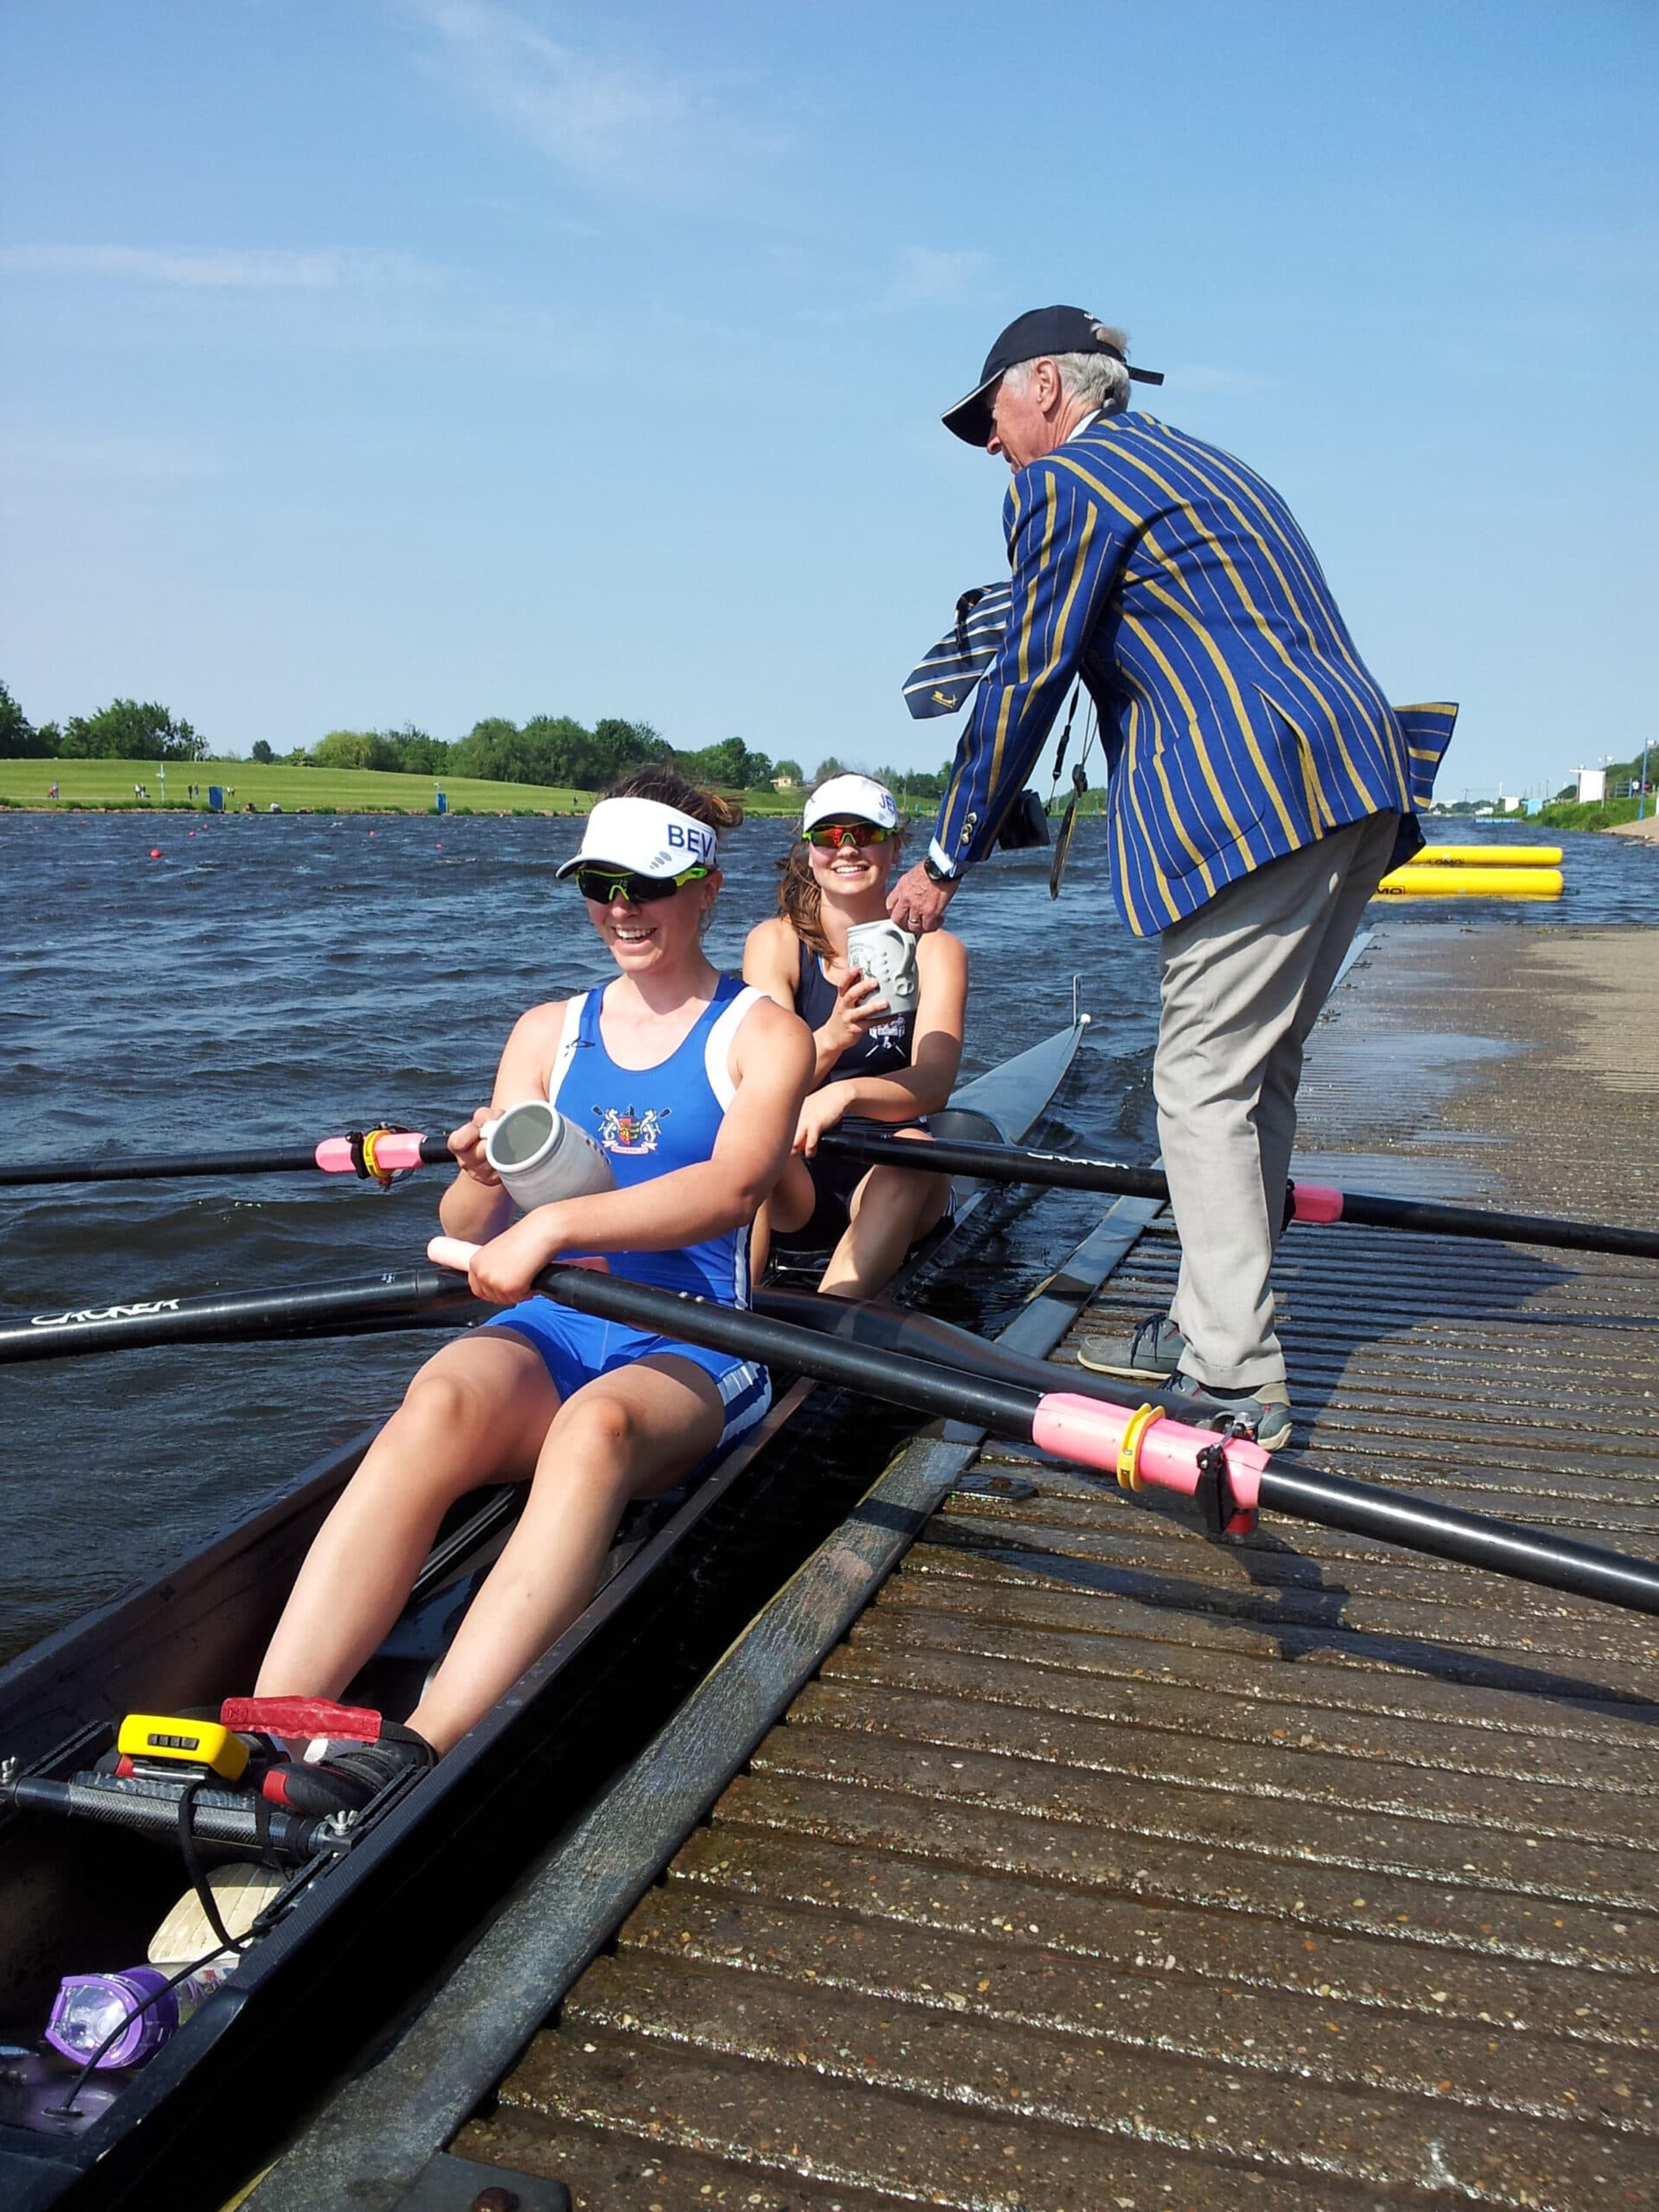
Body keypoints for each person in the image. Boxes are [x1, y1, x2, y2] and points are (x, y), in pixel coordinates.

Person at [887, 306, 1456, 1450]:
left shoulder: (1063, 484)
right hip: (1357, 781)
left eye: (989, 417)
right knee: (1258, 1074)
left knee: (1198, 1082)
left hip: (1248, 796)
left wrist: (946, 853)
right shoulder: (1207, 462)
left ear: (1044, 386)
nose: (990, 445)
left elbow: (1029, 674)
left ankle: (1234, 1379)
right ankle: (1208, 1322)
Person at [248, 768, 813, 1807]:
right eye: (598, 885)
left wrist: (552, 1219)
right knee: (439, 1398)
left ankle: (421, 1745)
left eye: (644, 885)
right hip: (561, 1319)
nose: (620, 909)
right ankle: (274, 1725)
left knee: (593, 1430)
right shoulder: (546, 1032)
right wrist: (480, 1179)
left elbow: (734, 1190)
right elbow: (467, 1232)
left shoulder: (764, 1034)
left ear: (706, 892)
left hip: (696, 1339)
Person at [743, 772, 966, 1298]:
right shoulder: (774, 944)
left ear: (895, 848)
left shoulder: (937, 951)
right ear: (811, 849)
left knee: (911, 1148)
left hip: (894, 1172)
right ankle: (728, 1324)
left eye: (865, 833)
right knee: (746, 1140)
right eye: (829, 836)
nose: (847, 849)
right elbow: (761, 1082)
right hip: (798, 1177)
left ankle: (823, 1349)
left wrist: (844, 1094)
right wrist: (834, 1036)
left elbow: (934, 1083)